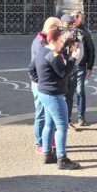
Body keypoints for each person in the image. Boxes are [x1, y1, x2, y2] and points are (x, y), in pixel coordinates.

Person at [28, 28, 81, 170]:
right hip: (54, 95)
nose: (62, 44)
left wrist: (41, 82)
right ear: (52, 41)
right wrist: (73, 58)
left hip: (44, 93)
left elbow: (31, 69)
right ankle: (62, 158)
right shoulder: (53, 55)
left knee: (49, 124)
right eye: (60, 41)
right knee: (62, 126)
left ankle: (47, 153)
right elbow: (64, 73)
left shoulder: (42, 52)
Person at [30, 17, 61, 154]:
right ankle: (40, 142)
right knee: (41, 114)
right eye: (58, 29)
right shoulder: (40, 42)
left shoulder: (45, 40)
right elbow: (32, 68)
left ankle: (48, 139)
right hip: (41, 84)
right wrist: (39, 81)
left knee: (50, 113)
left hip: (45, 83)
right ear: (51, 28)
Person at [71, 11, 94, 128]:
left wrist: (90, 66)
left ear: (80, 18)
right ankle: (68, 117)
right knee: (67, 91)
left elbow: (91, 49)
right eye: (71, 17)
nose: (73, 19)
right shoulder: (66, 30)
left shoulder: (85, 32)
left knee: (80, 90)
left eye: (75, 17)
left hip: (80, 65)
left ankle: (81, 115)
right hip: (68, 64)